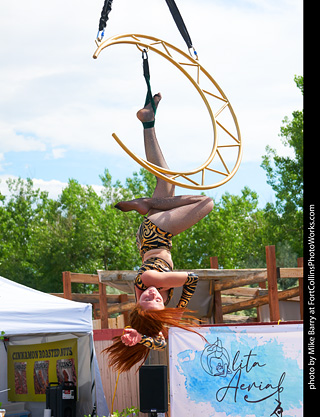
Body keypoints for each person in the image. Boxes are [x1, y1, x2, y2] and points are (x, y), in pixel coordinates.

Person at [104, 93, 213, 372]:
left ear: (137, 304)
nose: (152, 294)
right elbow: (161, 342)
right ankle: (147, 122)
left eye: (145, 299)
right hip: (152, 235)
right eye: (156, 300)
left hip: (157, 233)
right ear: (161, 307)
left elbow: (192, 278)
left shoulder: (149, 278)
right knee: (165, 176)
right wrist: (143, 337)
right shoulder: (155, 295)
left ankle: (147, 204)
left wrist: (178, 306)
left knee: (205, 202)